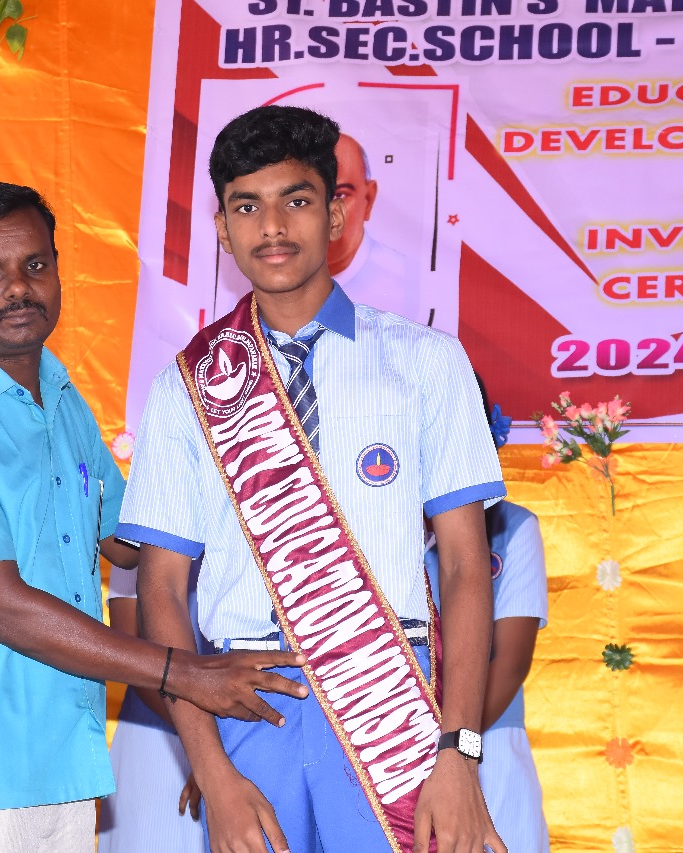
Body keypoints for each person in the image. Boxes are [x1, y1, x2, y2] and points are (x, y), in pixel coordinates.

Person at [0, 181, 309, 853]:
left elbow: (130, 542)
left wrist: (278, 495)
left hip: (59, 767)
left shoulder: (60, 397)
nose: (18, 288)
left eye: (34, 264)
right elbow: (3, 610)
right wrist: (185, 671)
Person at [118, 106, 506, 853]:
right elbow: (160, 589)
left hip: (391, 699)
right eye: (246, 206)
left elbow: (465, 566)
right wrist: (212, 769)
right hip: (245, 703)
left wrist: (459, 750)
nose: (272, 226)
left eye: (295, 200)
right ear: (221, 227)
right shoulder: (189, 384)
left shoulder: (426, 361)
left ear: (335, 213)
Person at [424, 388, 550, 853]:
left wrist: (449, 751)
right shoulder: (378, 532)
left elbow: (510, 662)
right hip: (386, 753)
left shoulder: (513, 527)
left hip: (487, 750)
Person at [97, 562, 208, 853]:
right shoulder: (135, 541)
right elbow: (128, 655)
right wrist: (208, 745)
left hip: (239, 736)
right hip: (156, 743)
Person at [327, 133, 419, 322]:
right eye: (301, 199)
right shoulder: (269, 279)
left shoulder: (412, 284)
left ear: (368, 199)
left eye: (340, 195)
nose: (325, 212)